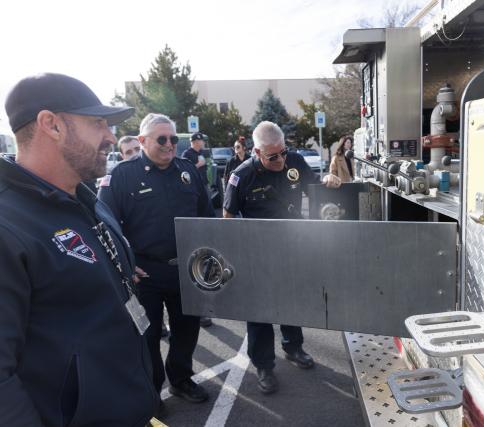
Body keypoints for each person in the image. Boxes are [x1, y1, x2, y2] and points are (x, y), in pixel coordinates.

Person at [0, 73, 157, 426]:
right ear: (51, 125)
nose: (111, 136)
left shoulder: (86, 198)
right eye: (98, 123)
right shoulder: (7, 226)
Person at [98, 113, 214, 409]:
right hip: (144, 273)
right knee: (147, 336)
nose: (169, 144)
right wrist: (124, 263)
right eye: (161, 139)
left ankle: (181, 379)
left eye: (173, 139)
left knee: (186, 329)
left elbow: (206, 218)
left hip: (187, 269)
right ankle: (152, 389)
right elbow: (104, 224)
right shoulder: (122, 175)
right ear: (142, 141)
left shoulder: (188, 170)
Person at [223, 121, 341, 394]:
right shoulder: (241, 176)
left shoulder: (295, 161)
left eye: (283, 152)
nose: (280, 160)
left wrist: (328, 180)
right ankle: (264, 365)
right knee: (260, 310)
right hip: (257, 254)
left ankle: (293, 347)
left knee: (291, 301)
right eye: (272, 156)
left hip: (292, 247)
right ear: (256, 152)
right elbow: (227, 219)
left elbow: (316, 186)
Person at [180, 132, 215, 328]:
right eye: (199, 140)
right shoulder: (188, 154)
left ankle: (201, 311)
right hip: (193, 191)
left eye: (202, 140)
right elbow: (185, 173)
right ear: (194, 142)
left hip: (204, 188)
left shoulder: (202, 153)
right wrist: (199, 164)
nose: (201, 143)